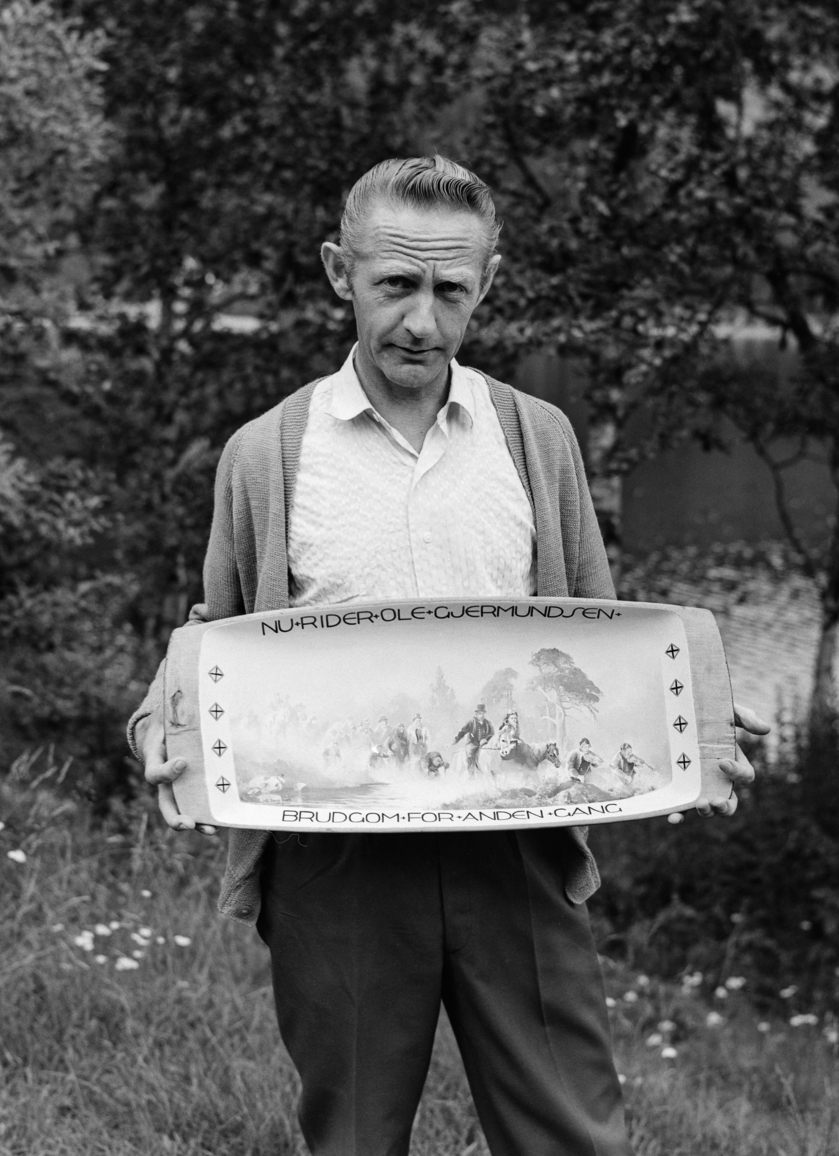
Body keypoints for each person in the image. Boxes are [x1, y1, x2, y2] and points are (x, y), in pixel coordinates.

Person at [131, 155, 767, 1156]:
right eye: (395, 284)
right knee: (351, 1139)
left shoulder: (537, 437)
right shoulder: (265, 453)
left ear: (488, 284)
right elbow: (212, 653)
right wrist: (159, 731)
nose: (421, 320)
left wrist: (696, 724)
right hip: (333, 861)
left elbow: (606, 648)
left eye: (449, 289)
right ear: (341, 271)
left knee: (573, 1136)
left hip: (517, 852)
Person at [454, 702, 495, 775]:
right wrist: (455, 741)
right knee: (470, 754)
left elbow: (492, 733)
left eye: (482, 713)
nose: (481, 715)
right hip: (472, 743)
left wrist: (486, 739)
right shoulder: (471, 722)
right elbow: (462, 732)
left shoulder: (488, 723)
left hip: (484, 744)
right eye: (479, 714)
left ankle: (491, 771)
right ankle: (471, 773)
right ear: (476, 714)